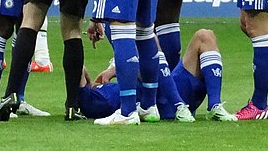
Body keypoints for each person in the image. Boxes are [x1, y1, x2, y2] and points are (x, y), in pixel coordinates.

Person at [78, 29, 238, 122]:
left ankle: (214, 107)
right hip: (163, 100)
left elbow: (78, 68)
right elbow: (77, 67)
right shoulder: (94, 102)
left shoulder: (97, 97)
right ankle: (178, 106)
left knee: (205, 36)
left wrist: (111, 70)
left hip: (168, 85)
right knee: (148, 39)